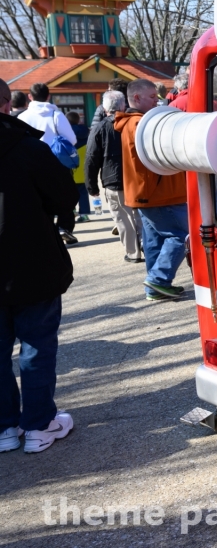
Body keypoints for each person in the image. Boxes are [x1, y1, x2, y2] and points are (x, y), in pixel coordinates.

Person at [0, 110, 79, 453]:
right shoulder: (28, 147)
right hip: (31, 262)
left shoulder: (28, 145)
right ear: (6, 105)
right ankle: (38, 424)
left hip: (29, 264)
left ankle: (5, 427)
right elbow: (64, 196)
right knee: (37, 345)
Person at [114, 79, 190, 301]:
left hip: (145, 193)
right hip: (160, 192)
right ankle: (158, 279)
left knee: (154, 240)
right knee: (180, 236)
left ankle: (155, 287)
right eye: (151, 97)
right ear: (136, 98)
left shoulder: (130, 122)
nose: (157, 101)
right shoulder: (141, 123)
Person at [85, 90, 143, 263]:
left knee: (123, 217)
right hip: (137, 177)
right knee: (140, 214)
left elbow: (91, 158)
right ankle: (148, 246)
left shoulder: (99, 128)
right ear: (124, 105)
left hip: (114, 178)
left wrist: (91, 186)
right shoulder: (134, 123)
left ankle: (133, 253)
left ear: (104, 108)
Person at [19, 83, 79, 245]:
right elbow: (72, 139)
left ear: (30, 97)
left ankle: (46, 230)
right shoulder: (56, 115)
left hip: (31, 162)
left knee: (39, 197)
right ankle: (64, 227)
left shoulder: (23, 117)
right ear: (48, 96)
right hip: (57, 161)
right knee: (64, 195)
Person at [66, 112, 91, 223]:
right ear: (78, 120)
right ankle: (84, 214)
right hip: (83, 168)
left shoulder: (65, 133)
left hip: (70, 166)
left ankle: (72, 211)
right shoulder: (86, 132)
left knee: (69, 191)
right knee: (83, 192)